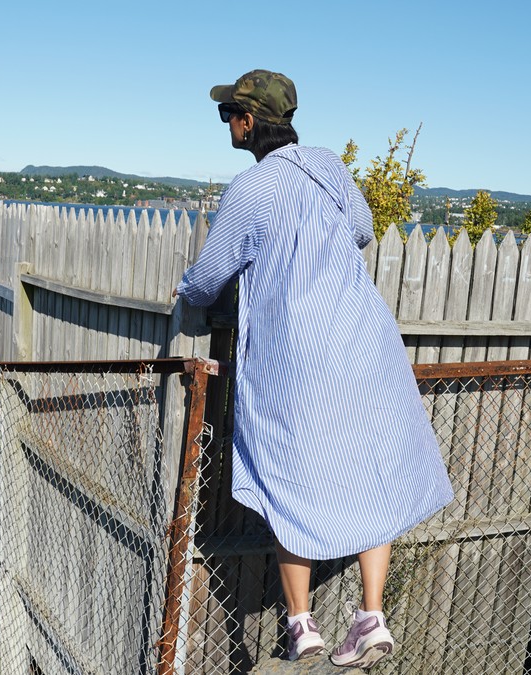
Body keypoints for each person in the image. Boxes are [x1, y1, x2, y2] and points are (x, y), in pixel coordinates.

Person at [174, 69, 454, 668]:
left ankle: (301, 626)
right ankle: (370, 617)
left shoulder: (249, 190)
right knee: (371, 467)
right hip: (361, 341)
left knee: (286, 480)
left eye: (229, 114)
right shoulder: (330, 167)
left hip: (295, 355)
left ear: (249, 120)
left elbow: (206, 279)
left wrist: (186, 293)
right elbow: (362, 230)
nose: (226, 123)